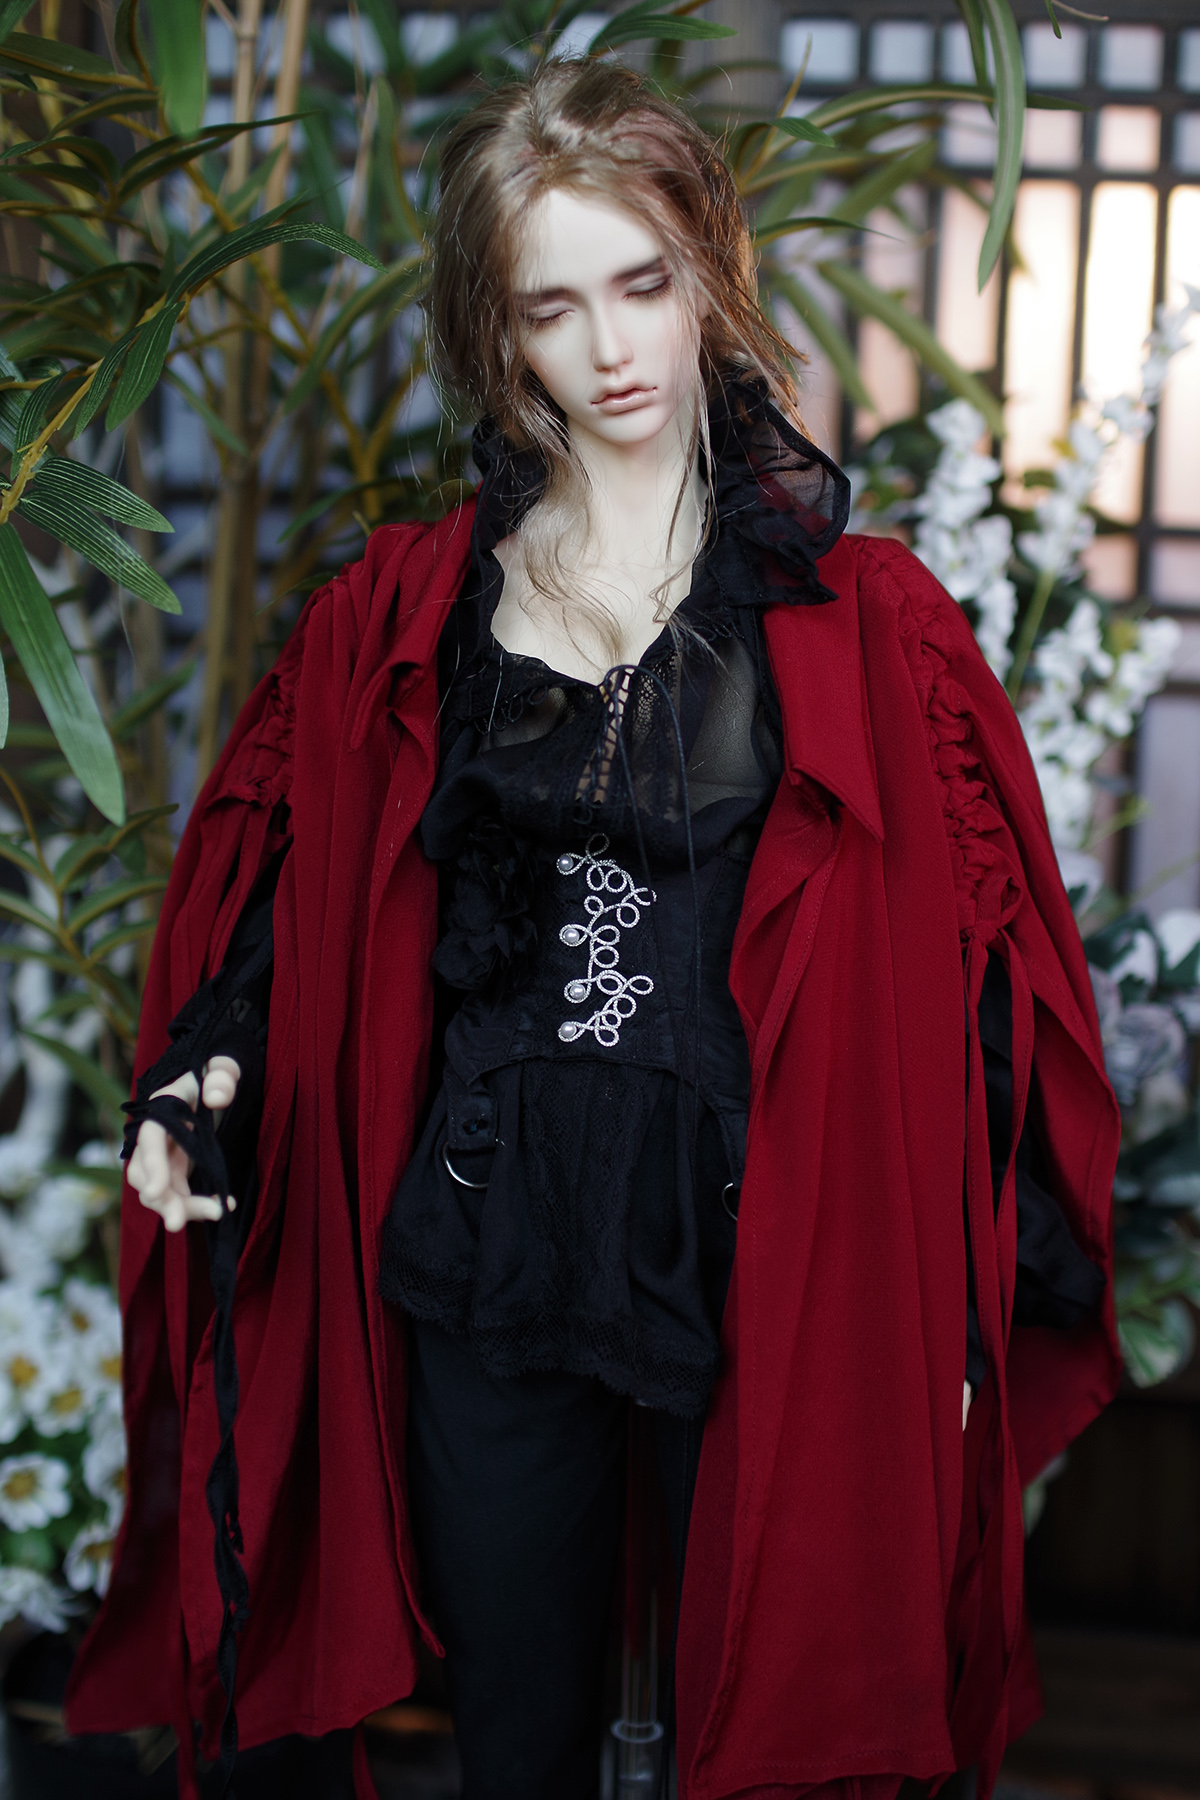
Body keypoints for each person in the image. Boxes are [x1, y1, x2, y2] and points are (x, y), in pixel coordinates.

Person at [65, 58, 1119, 1800]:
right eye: (555, 308)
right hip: (492, 1224)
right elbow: (303, 889)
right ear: (502, 338)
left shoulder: (872, 627)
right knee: (518, 1744)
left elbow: (971, 974)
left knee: (768, 1733)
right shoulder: (404, 611)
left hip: (767, 1237)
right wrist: (205, 1075)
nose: (613, 347)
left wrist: (967, 1287)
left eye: (643, 283)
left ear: (710, 272)